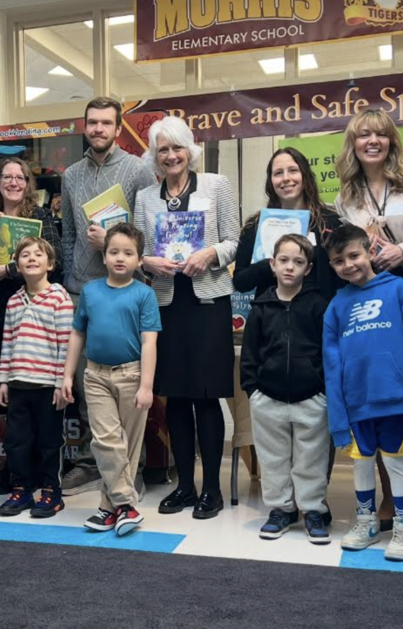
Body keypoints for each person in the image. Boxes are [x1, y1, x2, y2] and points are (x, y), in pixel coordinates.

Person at [334, 109, 403, 536]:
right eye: (363, 135)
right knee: (381, 395)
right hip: (373, 299)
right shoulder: (346, 197)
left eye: (380, 134)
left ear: (393, 140)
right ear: (353, 144)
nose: (372, 141)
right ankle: (389, 496)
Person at [134, 115, 238, 519]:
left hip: (208, 302)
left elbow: (234, 240)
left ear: (190, 149)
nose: (171, 155)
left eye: (177, 147)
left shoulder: (216, 185)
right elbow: (137, 252)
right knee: (175, 397)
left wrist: (210, 253)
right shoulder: (146, 196)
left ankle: (211, 488)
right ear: (154, 156)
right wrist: (148, 262)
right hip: (165, 305)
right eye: (163, 149)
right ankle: (185, 487)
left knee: (206, 397)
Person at [60, 97, 156, 496]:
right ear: (85, 126)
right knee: (89, 387)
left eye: (106, 123)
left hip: (127, 290)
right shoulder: (70, 175)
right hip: (84, 290)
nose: (98, 129)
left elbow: (147, 229)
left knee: (130, 388)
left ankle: (134, 467)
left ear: (118, 129)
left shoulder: (137, 169)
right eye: (92, 122)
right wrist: (71, 282)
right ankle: (91, 463)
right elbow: (68, 235)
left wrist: (113, 244)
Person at [324, 224, 403, 562]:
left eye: (354, 255)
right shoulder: (336, 305)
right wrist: (338, 416)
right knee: (361, 465)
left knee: (397, 464)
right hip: (357, 403)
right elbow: (332, 365)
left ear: (370, 251)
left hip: (394, 399)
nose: (348, 265)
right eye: (338, 261)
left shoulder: (399, 290)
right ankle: (367, 523)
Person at [0, 158, 63, 493]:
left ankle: (37, 469)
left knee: (35, 399)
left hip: (35, 316)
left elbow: (57, 261)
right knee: (6, 400)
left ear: (27, 183)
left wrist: (7, 270)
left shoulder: (41, 218)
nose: (13, 182)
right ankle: (12, 466)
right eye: (6, 177)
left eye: (19, 177)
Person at [62, 223, 161, 536]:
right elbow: (77, 333)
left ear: (139, 260)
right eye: (114, 252)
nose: (120, 258)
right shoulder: (90, 292)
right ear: (103, 256)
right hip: (95, 376)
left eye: (128, 253)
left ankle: (109, 508)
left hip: (132, 375)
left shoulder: (144, 294)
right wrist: (67, 374)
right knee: (106, 442)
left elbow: (149, 342)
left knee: (127, 447)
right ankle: (126, 505)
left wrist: (146, 386)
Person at [242, 234, 332, 544]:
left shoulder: (319, 305)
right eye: (283, 260)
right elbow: (250, 353)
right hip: (268, 398)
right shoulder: (260, 307)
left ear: (309, 268)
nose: (290, 267)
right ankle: (281, 509)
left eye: (298, 262)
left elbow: (328, 350)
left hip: (312, 397)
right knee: (273, 459)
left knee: (312, 459)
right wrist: (253, 390)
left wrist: (323, 390)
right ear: (272, 264)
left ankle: (313, 510)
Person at [0, 237, 73, 519]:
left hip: (48, 386)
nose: (31, 258)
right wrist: (3, 379)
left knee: (49, 442)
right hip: (18, 383)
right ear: (17, 265)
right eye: (25, 255)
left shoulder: (59, 297)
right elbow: (7, 342)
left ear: (50, 264)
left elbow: (66, 344)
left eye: (38, 254)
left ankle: (51, 491)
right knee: (17, 441)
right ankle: (21, 489)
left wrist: (61, 383)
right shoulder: (14, 301)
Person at [234, 147, 343, 302]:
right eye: (278, 173)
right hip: (271, 313)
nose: (286, 178)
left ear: (305, 176)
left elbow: (342, 273)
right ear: (271, 181)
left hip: (320, 312)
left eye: (293, 170)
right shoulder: (255, 225)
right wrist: (270, 265)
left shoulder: (329, 222)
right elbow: (240, 282)